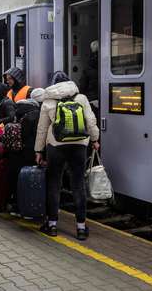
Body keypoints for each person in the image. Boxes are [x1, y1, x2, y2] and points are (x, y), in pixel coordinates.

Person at [35, 71, 100, 241]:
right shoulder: (81, 98)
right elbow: (90, 121)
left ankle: (53, 225)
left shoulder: (48, 100)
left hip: (55, 147)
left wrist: (38, 151)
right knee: (78, 184)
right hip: (79, 146)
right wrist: (95, 139)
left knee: (54, 184)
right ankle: (80, 228)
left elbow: (42, 129)